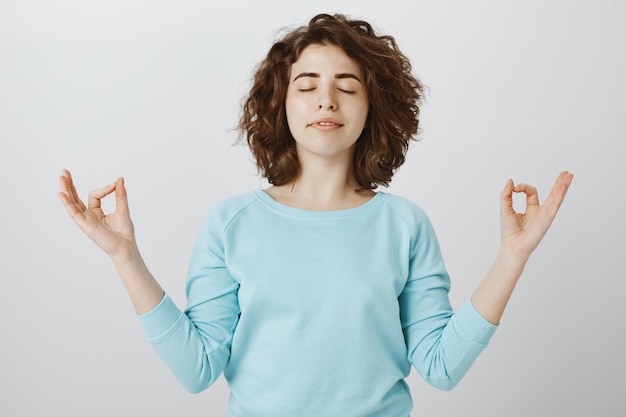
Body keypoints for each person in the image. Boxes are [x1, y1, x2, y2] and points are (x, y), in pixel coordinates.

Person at [58, 13, 573, 417]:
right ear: (281, 104)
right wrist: (124, 256)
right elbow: (197, 369)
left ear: (374, 107)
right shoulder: (230, 223)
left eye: (347, 86)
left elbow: (439, 366)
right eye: (307, 86)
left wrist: (512, 256)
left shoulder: (405, 225)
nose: (326, 99)